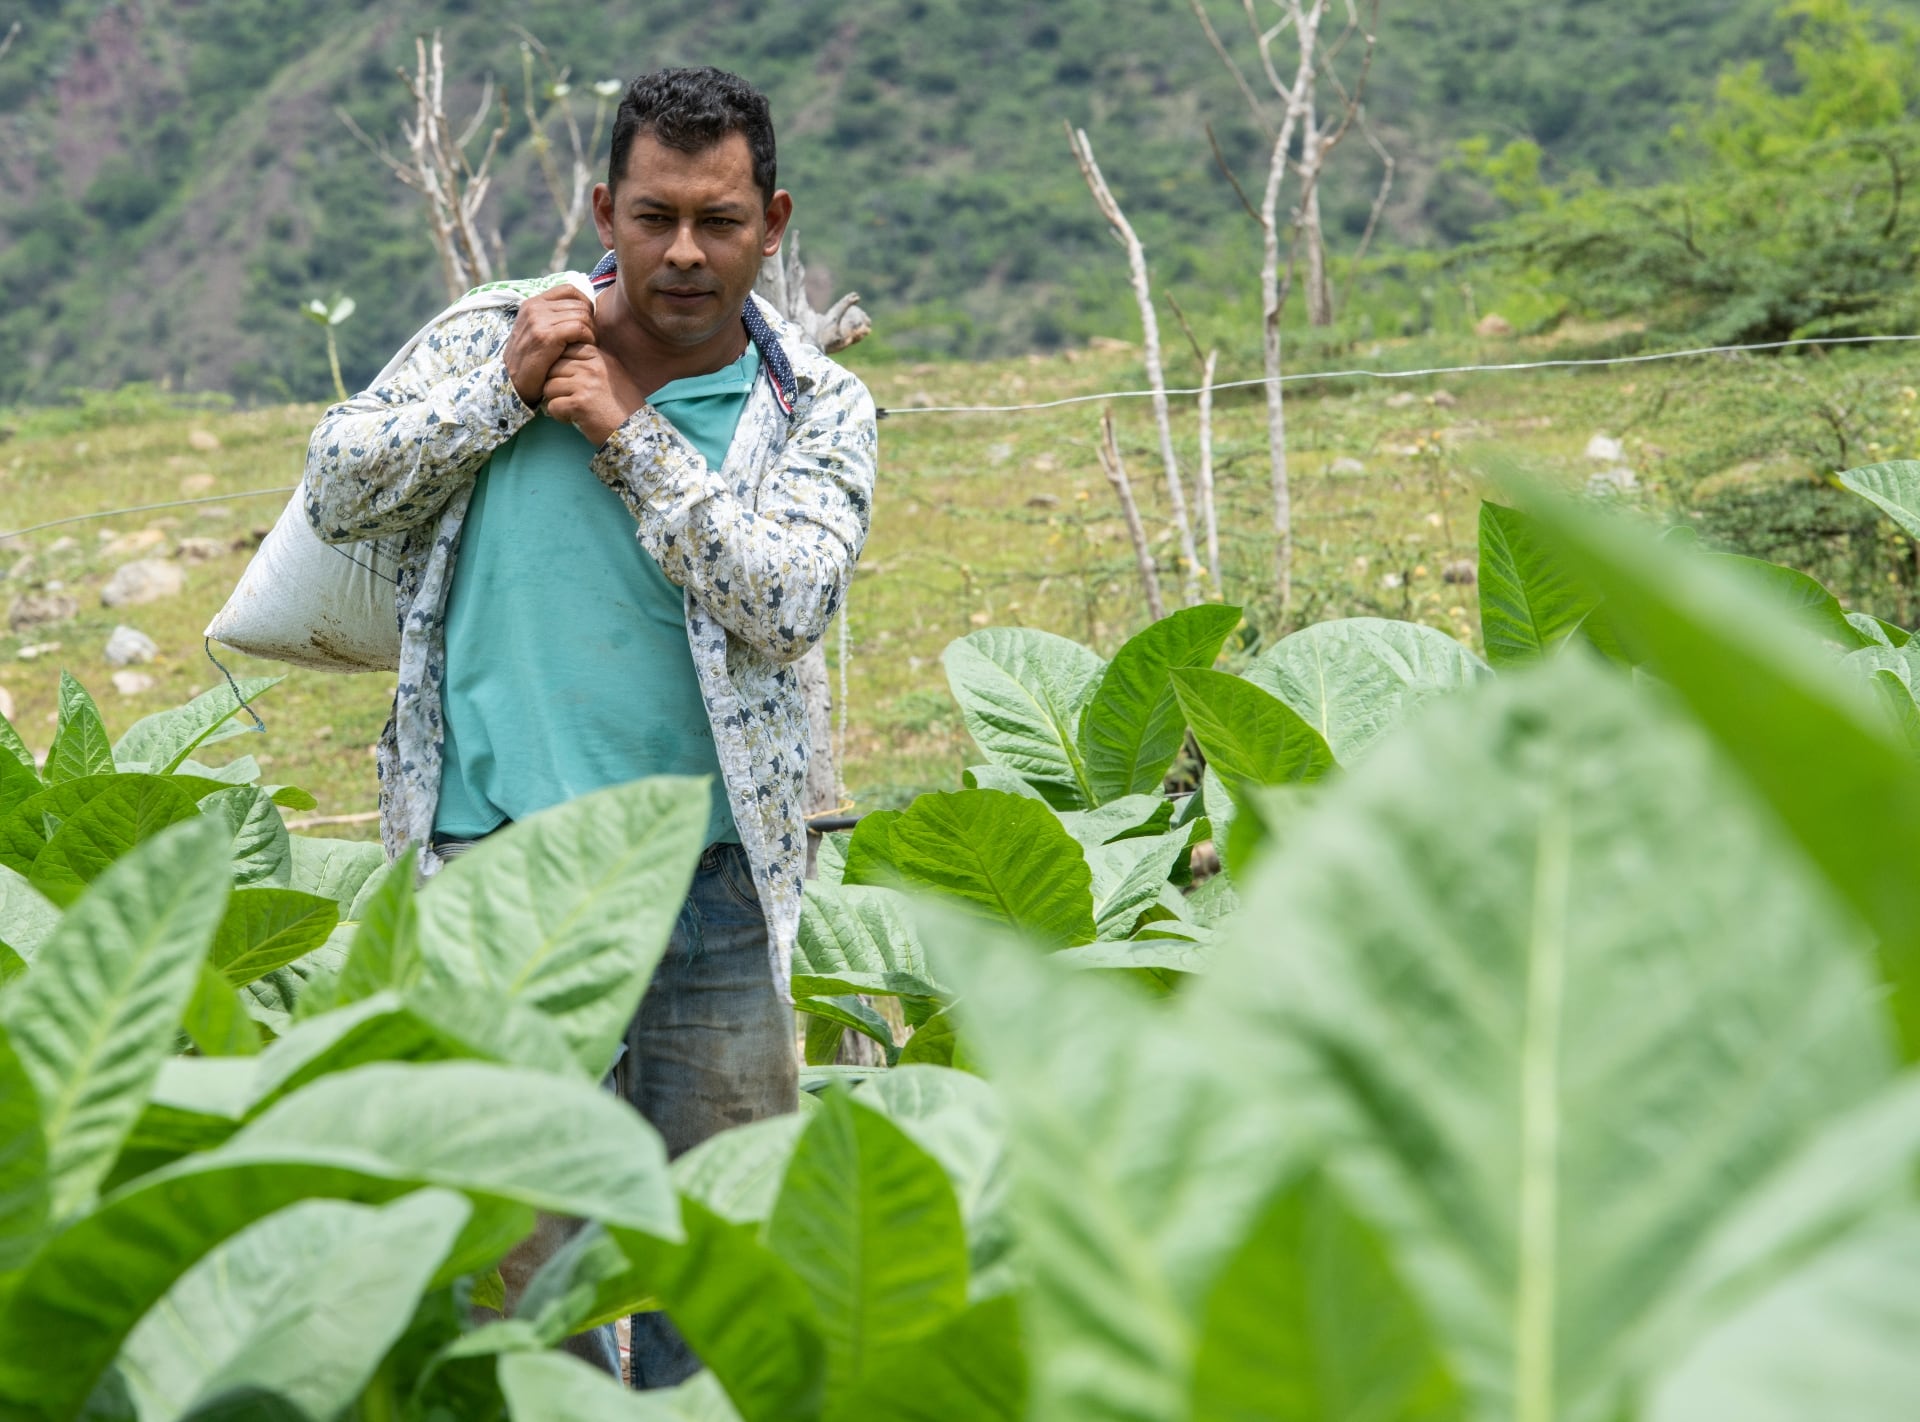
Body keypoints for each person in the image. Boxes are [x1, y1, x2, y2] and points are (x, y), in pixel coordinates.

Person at [301, 66, 877, 1386]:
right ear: (602, 208)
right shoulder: (492, 335)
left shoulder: (813, 408)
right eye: (657, 214)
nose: (685, 251)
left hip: (712, 881)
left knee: (723, 1259)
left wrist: (627, 437)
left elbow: (784, 600)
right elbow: (337, 487)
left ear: (772, 223)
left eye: (720, 220)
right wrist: (502, 392)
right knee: (514, 1270)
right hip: (490, 870)